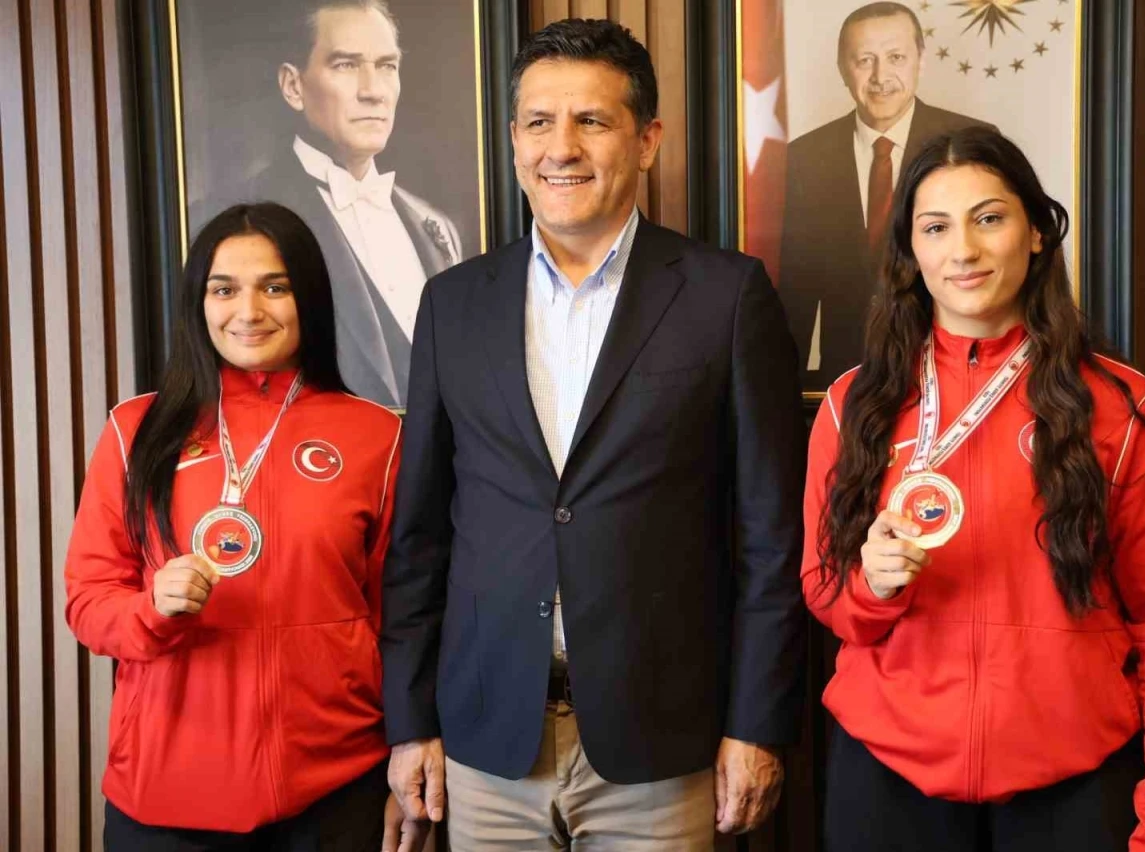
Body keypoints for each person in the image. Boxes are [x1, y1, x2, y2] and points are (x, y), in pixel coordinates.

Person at [380, 18, 807, 851]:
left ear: (647, 141)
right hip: (486, 743)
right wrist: (411, 720)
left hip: (662, 743)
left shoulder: (725, 297)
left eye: (592, 121)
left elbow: (770, 537)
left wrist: (757, 725)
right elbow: (419, 537)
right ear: (514, 140)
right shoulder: (452, 305)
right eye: (540, 122)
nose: (561, 148)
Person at [802, 127, 1145, 851]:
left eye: (989, 218)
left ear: (1034, 232)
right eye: (936, 227)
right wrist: (872, 586)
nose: (963, 250)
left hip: (1075, 785)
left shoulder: (1121, 409)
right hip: (886, 784)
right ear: (911, 251)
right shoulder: (856, 404)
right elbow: (824, 590)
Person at [64, 203, 423, 851]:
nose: (249, 311)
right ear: (198, 304)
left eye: (275, 287)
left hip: (335, 789)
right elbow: (89, 603)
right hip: (166, 792)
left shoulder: (377, 435)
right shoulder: (135, 430)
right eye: (224, 289)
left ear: (308, 298)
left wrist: (405, 756)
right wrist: (152, 609)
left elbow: (401, 619)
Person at [253, 0, 462, 408]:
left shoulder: (434, 225)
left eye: (387, 66)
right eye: (346, 65)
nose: (373, 91)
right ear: (293, 86)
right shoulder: (248, 222)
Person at [779, 1, 993, 389]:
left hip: (958, 376)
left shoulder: (974, 141)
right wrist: (790, 392)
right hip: (845, 382)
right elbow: (797, 288)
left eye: (896, 57)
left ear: (920, 61)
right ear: (842, 68)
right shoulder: (802, 157)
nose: (881, 76)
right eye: (865, 60)